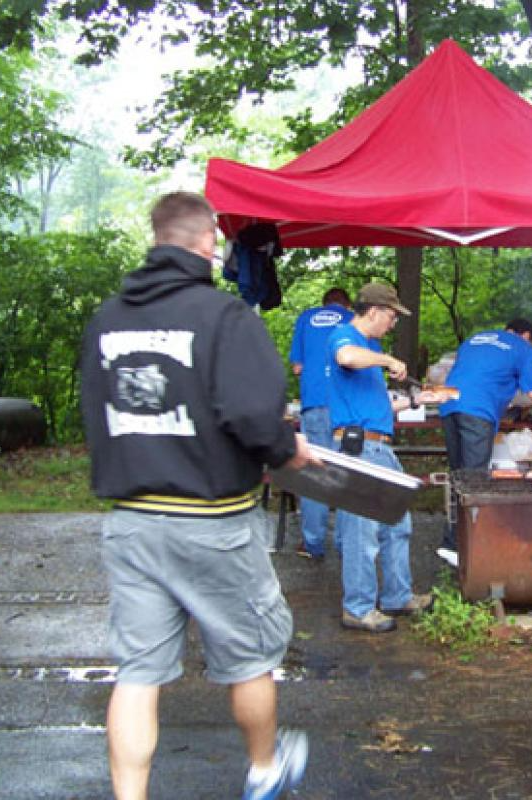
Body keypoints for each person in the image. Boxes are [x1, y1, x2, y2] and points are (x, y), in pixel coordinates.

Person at [80, 191, 321, 800]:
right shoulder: (224, 317)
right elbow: (252, 415)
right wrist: (286, 449)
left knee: (138, 673)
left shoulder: (107, 320)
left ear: (156, 236)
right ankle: (263, 769)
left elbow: (94, 413)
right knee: (250, 658)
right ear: (210, 241)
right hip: (213, 522)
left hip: (132, 520)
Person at [326, 282, 437, 633]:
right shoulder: (344, 336)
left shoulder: (370, 349)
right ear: (373, 311)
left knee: (397, 524)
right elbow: (345, 357)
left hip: (380, 448)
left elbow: (380, 404)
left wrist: (419, 401)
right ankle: (358, 608)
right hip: (359, 449)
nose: (393, 323)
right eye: (391, 316)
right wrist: (388, 359)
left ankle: (397, 596)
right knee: (361, 531)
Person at [435, 319, 532, 564]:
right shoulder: (522, 346)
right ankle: (465, 548)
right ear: (526, 335)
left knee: (458, 475)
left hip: (448, 406)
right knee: (474, 478)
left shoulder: (475, 339)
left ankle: (452, 541)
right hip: (477, 411)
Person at [288, 286, 353, 560]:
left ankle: (313, 543)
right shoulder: (353, 319)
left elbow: (297, 367)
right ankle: (345, 544)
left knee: (315, 475)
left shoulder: (306, 318)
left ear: (324, 303)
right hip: (346, 407)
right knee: (347, 473)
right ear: (346, 305)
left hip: (314, 404)